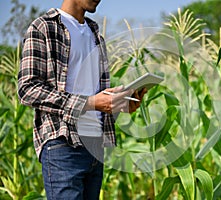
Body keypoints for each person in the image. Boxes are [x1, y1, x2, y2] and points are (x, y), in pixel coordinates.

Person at [17, 0, 147, 199]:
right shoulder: (43, 27)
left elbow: (93, 94)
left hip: (95, 146)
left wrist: (121, 104)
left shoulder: (96, 35)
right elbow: (27, 88)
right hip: (63, 145)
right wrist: (90, 103)